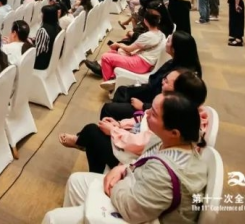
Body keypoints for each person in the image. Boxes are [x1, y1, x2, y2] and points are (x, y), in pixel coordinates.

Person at [42, 92, 207, 224]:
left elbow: (130, 209)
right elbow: (142, 161)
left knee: (52, 218)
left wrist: (117, 183)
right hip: (135, 186)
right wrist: (123, 168)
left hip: (138, 210)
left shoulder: (166, 174)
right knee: (75, 180)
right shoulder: (172, 141)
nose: (147, 113)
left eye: (154, 114)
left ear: (174, 132)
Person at [58, 71, 207, 173]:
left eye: (169, 82)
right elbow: (144, 119)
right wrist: (119, 125)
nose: (163, 82)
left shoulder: (173, 122)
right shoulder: (178, 114)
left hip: (133, 160)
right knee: (103, 122)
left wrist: (114, 131)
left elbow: (142, 144)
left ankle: (85, 149)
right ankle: (85, 144)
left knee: (93, 131)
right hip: (135, 147)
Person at [102, 31, 203, 120]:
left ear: (174, 49)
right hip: (151, 93)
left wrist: (144, 106)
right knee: (121, 90)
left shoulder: (183, 77)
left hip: (155, 108)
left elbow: (173, 107)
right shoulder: (174, 62)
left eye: (168, 41)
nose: (166, 41)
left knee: (108, 109)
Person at [86, 10, 166, 89]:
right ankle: (111, 76)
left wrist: (118, 45)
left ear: (145, 21)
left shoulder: (147, 36)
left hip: (140, 63)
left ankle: (109, 82)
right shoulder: (162, 35)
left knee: (105, 57)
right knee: (113, 52)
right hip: (145, 62)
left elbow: (129, 49)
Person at [33, 5, 62, 70]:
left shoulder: (43, 31)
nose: (41, 15)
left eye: (42, 13)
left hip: (42, 63)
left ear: (46, 16)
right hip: (52, 59)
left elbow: (37, 52)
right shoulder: (58, 28)